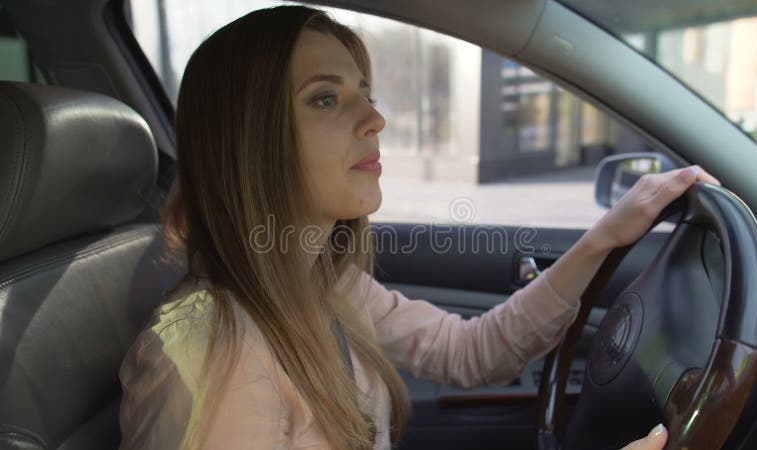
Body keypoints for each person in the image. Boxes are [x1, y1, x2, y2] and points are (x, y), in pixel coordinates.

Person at [118, 5, 720, 450]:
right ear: (246, 140)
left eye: (366, 94)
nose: (375, 119)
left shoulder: (325, 287)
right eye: (325, 99)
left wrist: (604, 238)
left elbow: (469, 352)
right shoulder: (215, 351)